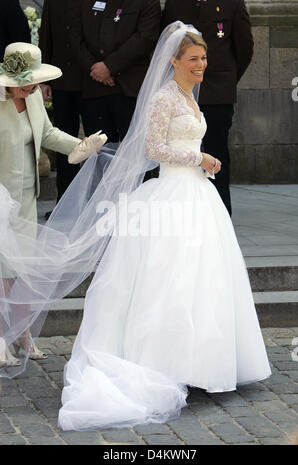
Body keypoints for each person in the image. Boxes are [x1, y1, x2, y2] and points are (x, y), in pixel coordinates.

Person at [0, 23, 270, 429]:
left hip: (196, 195)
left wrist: (200, 158)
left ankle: (205, 359)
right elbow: (152, 147)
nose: (201, 66)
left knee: (204, 278)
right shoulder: (164, 98)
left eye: (204, 59)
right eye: (194, 59)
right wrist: (198, 159)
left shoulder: (189, 97)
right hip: (170, 193)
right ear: (174, 61)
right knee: (168, 279)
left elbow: (180, 142)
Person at [0, 42, 107, 369]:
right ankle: (1, 338)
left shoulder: (31, 98)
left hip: (26, 198)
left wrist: (82, 145)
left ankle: (23, 334)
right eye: (27, 82)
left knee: (24, 270)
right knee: (2, 272)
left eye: (34, 81)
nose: (33, 87)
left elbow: (48, 134)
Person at [162, 0, 254, 215]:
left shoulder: (232, 4)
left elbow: (244, 49)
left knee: (216, 157)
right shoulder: (175, 4)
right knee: (181, 155)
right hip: (181, 94)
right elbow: (167, 45)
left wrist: (226, 81)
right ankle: (184, 215)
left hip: (216, 95)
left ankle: (220, 216)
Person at [69, 0, 161, 142]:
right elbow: (75, 37)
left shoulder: (148, 2)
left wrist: (109, 67)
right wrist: (95, 68)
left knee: (133, 153)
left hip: (131, 90)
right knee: (99, 153)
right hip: (94, 87)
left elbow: (146, 38)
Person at [39, 0, 85, 204]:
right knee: (64, 141)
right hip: (61, 82)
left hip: (90, 81)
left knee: (94, 141)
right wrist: (44, 80)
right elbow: (45, 36)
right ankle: (65, 201)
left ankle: (92, 201)